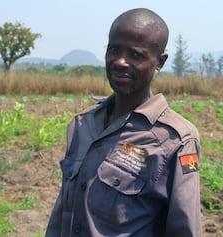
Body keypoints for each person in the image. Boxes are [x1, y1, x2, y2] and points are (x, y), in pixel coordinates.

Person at [46, 8, 202, 237]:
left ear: (160, 62)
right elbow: (63, 213)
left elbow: (184, 230)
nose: (120, 61)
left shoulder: (175, 140)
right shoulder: (83, 125)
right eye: (114, 49)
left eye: (136, 54)